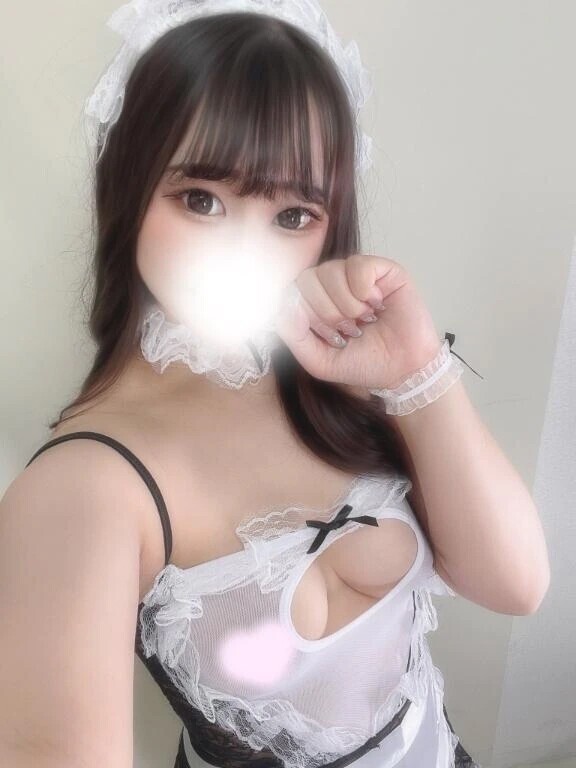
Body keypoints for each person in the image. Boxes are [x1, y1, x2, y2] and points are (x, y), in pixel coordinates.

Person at [0, 4, 489, 767]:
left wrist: (420, 371)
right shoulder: (82, 488)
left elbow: (514, 585)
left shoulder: (343, 375)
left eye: (293, 215)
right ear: (129, 185)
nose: (246, 250)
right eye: (202, 199)